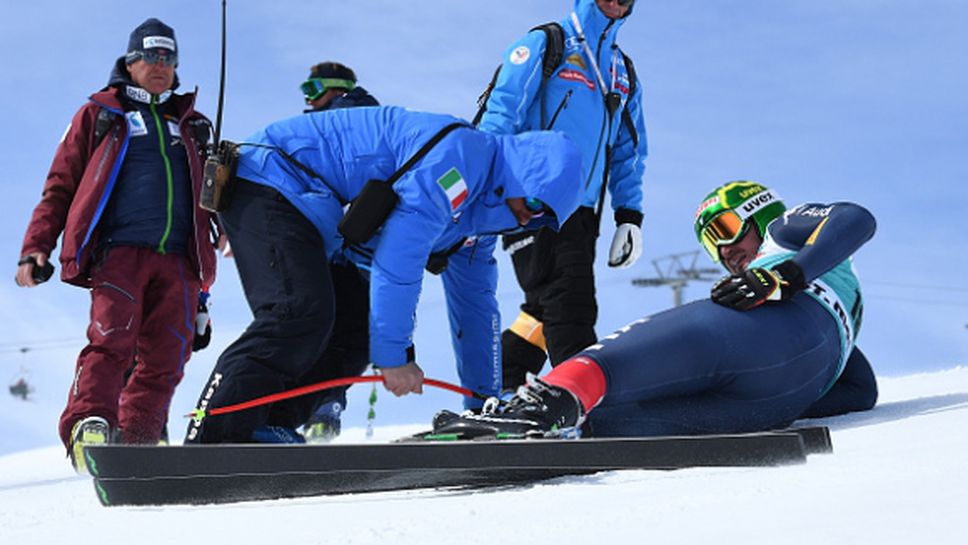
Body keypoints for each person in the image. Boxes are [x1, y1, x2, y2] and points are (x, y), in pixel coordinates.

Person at [185, 105, 584, 444]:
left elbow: (476, 310)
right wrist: (395, 356)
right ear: (523, 172)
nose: (529, 216)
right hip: (273, 178)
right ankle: (214, 435)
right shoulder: (461, 159)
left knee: (354, 332)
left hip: (313, 216)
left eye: (543, 217)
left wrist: (484, 407)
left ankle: (266, 429)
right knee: (298, 311)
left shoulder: (476, 229)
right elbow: (401, 254)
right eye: (534, 200)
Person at [433, 180, 878, 439]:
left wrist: (785, 277)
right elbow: (861, 391)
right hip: (774, 400)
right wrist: (789, 401)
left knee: (622, 360)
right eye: (711, 243)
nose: (725, 251)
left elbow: (855, 218)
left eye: (725, 228)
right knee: (620, 421)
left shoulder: (783, 231)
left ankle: (546, 400)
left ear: (760, 213)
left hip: (772, 333)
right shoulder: (842, 307)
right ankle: (542, 426)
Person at [15, 18, 217, 471]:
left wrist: (205, 292)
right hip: (120, 251)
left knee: (168, 357)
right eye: (151, 55)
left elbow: (215, 202)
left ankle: (140, 441)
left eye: (169, 57)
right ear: (131, 62)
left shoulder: (194, 125)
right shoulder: (102, 113)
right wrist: (36, 246)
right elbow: (60, 185)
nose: (160, 64)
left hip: (181, 261)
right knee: (112, 342)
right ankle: (90, 424)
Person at [478, 0, 648, 389]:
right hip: (533, 199)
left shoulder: (622, 71)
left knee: (542, 311)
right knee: (569, 305)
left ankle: (498, 387)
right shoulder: (547, 42)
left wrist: (629, 217)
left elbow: (628, 151)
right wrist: (488, 184)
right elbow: (501, 111)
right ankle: (581, 406)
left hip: (584, 211)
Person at [295, 61, 379, 443]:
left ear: (337, 89)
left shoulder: (340, 116)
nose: (308, 100)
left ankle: (315, 406)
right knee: (353, 335)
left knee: (326, 330)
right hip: (360, 253)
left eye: (313, 89)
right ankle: (325, 407)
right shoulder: (370, 117)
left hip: (339, 249)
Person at [300, 61, 379, 112]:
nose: (310, 101)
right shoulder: (310, 125)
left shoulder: (362, 111)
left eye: (314, 90)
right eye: (307, 92)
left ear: (339, 90)